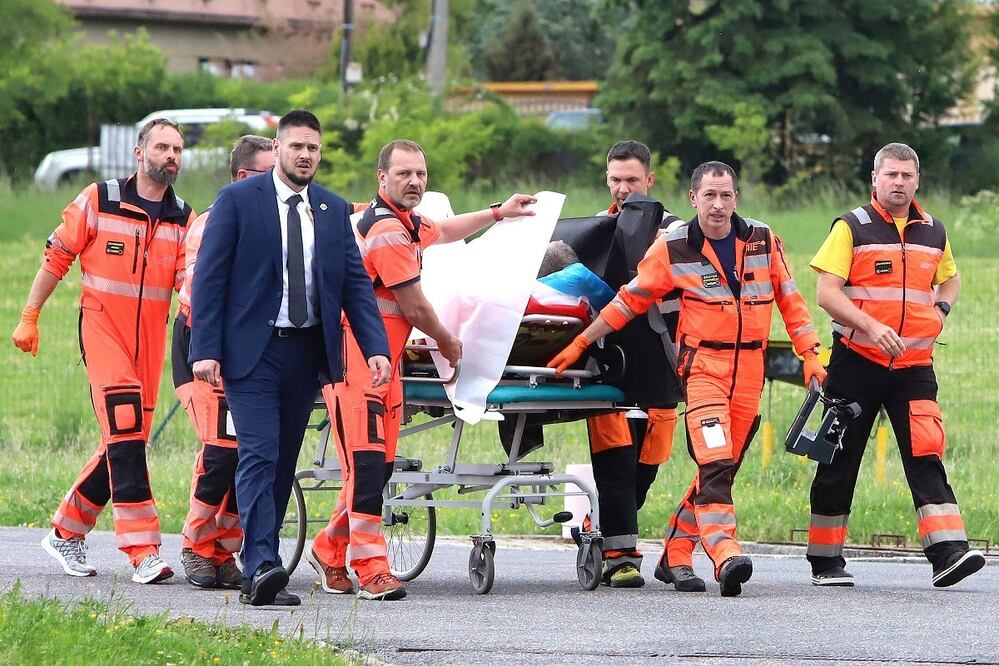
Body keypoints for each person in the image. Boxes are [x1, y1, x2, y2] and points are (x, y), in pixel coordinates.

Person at [550, 161, 824, 596]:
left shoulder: (763, 240)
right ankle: (725, 552)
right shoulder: (673, 247)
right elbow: (629, 301)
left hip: (750, 371)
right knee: (714, 462)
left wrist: (809, 354)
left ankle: (676, 551)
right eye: (709, 196)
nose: (718, 205)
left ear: (736, 198)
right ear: (693, 198)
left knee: (724, 467)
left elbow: (791, 300)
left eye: (726, 195)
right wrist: (582, 341)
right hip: (704, 371)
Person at [306, 139, 537, 601]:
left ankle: (330, 548)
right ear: (382, 178)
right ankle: (371, 569)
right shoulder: (387, 229)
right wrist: (450, 343)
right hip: (356, 360)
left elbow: (447, 230)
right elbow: (413, 305)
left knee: (380, 465)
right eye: (405, 174)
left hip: (382, 361)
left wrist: (497, 213)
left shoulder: (408, 223)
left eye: (421, 175)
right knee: (368, 465)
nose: (414, 182)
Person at [189, 109, 392, 607]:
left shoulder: (331, 209)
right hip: (250, 355)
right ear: (278, 149)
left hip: (305, 353)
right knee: (257, 453)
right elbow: (210, 279)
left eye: (314, 148)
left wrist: (377, 349)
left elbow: (355, 287)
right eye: (297, 146)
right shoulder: (238, 201)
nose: (306, 155)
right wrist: (205, 350)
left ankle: (262, 564)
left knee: (281, 462)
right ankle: (260, 565)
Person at [12, 119, 195, 584]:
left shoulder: (182, 218)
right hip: (102, 331)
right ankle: (143, 551)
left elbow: (189, 287)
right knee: (127, 434)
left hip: (149, 344)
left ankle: (65, 532)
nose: (171, 155)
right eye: (162, 146)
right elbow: (57, 256)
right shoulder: (100, 198)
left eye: (177, 148)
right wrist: (30, 315)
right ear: (139, 152)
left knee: (123, 442)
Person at [806, 142, 985, 588]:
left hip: (914, 365)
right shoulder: (851, 227)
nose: (899, 182)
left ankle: (948, 553)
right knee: (838, 459)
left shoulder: (933, 230)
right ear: (875, 179)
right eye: (891, 175)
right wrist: (870, 325)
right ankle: (825, 561)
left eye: (906, 175)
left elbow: (952, 278)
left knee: (926, 452)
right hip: (856, 361)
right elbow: (827, 293)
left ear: (917, 180)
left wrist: (941, 310)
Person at [172, 135, 275, 589]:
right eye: (271, 173)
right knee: (219, 452)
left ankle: (223, 548)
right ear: (243, 178)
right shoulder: (212, 223)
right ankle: (196, 545)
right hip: (203, 344)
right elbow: (201, 295)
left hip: (249, 351)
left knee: (246, 454)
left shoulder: (281, 221)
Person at [581, 140, 685, 589]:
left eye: (632, 181)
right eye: (615, 181)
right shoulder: (597, 230)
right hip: (609, 360)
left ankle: (595, 527)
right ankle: (621, 557)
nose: (623, 189)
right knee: (615, 458)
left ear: (650, 181)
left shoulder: (677, 229)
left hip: (662, 358)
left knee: (649, 459)